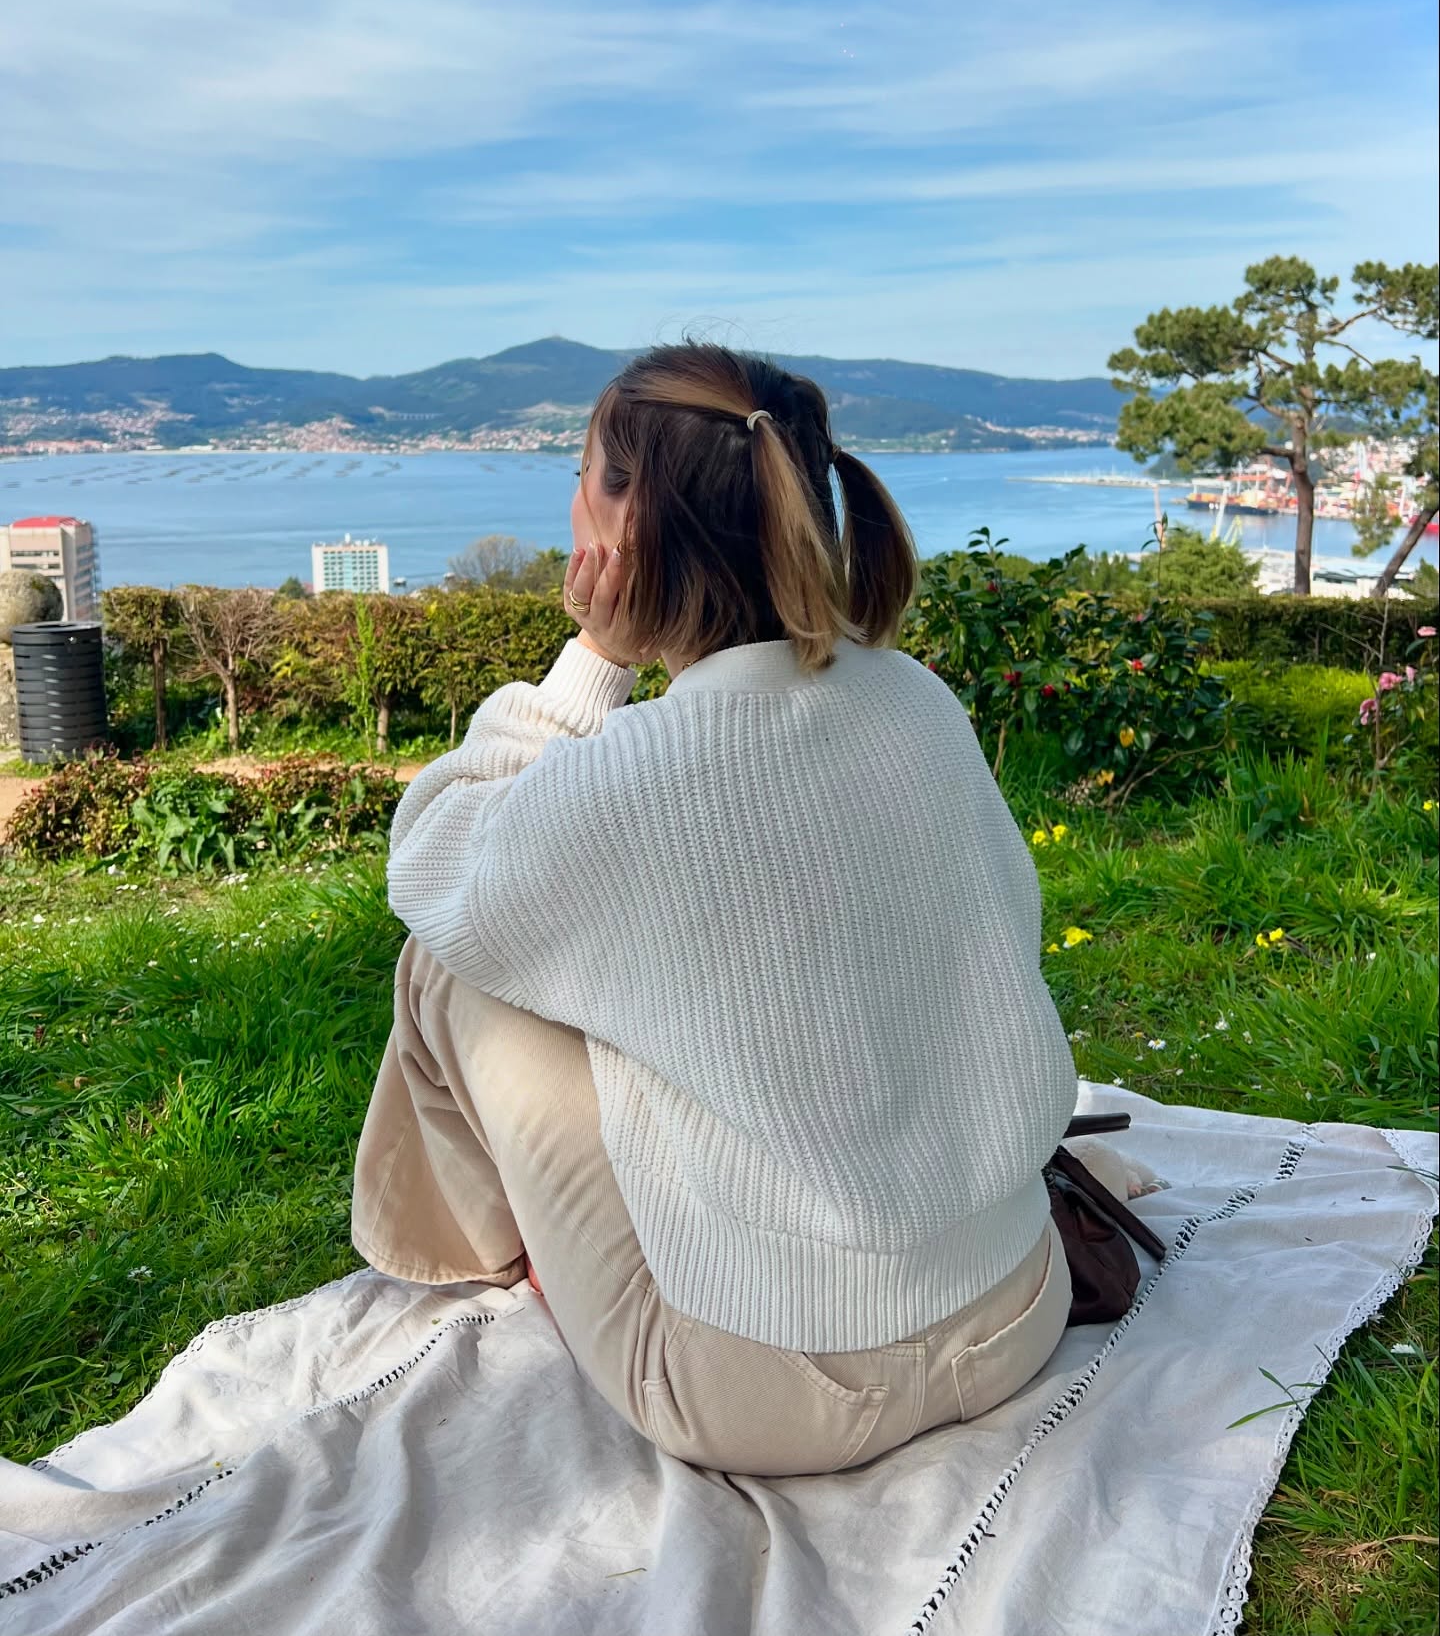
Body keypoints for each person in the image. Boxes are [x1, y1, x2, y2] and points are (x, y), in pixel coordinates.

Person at [350, 341, 1081, 1477]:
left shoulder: (642, 774)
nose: (571, 500)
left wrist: (594, 658)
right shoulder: (917, 698)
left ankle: (489, 1260)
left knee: (447, 963)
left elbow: (431, 857)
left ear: (627, 523)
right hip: (1020, 1301)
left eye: (584, 475)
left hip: (778, 1393)